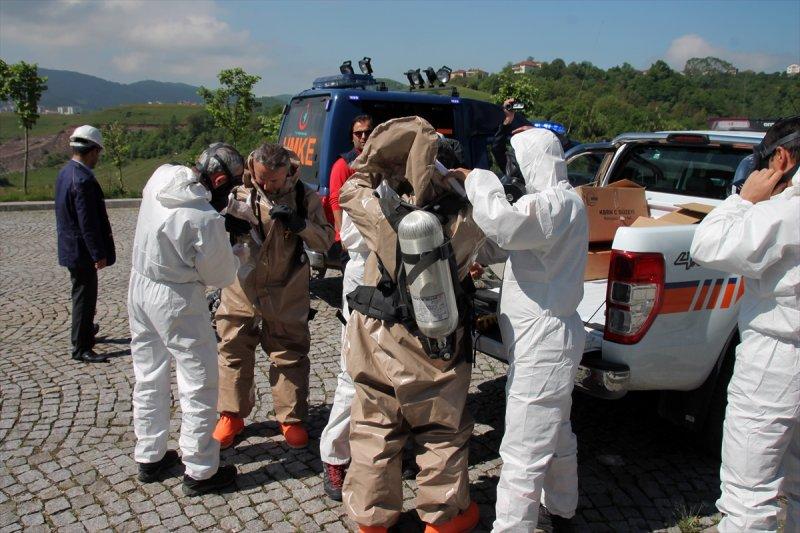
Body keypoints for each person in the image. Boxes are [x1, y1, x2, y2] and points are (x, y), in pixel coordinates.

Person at [339, 116, 484, 532]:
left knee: (374, 424)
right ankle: (444, 520)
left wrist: (376, 161)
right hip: (434, 341)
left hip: (376, 335)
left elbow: (351, 186)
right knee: (440, 428)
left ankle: (371, 520)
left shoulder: (377, 210)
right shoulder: (465, 216)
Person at [466, 128, 588, 532]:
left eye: (514, 164)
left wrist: (476, 178)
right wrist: (477, 254)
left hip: (544, 343)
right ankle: (563, 508)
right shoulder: (564, 202)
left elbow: (505, 225)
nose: (509, 172)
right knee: (555, 432)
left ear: (533, 163)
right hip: (551, 337)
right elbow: (510, 243)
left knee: (523, 450)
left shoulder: (551, 203)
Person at [690, 116, 799, 533]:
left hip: (777, 359)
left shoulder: (784, 211)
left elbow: (707, 245)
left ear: (782, 158)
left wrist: (745, 199)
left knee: (748, 496)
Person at [128, 143, 243, 496]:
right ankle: (201, 469)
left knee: (148, 372)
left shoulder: (160, 176)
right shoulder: (204, 219)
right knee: (199, 381)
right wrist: (230, 238)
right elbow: (221, 275)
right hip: (177, 299)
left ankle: (150, 454)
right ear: (220, 179)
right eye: (230, 186)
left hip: (139, 285)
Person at [213, 143, 334, 450]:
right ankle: (231, 414)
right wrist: (224, 226)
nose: (268, 186)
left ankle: (291, 418)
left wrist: (299, 224)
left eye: (275, 181)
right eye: (262, 179)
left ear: (288, 172)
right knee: (233, 349)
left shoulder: (304, 196)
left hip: (286, 288)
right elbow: (208, 234)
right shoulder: (237, 192)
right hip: (242, 286)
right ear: (252, 169)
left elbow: (326, 239)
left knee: (289, 353)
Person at [318, 118, 373, 500]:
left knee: (390, 377)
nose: (364, 140)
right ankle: (334, 457)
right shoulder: (353, 180)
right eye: (359, 134)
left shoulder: (393, 182)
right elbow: (353, 234)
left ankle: (376, 452)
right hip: (362, 280)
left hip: (391, 286)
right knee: (352, 372)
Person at [55, 125, 115, 364]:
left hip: (70, 246)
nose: (97, 158)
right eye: (98, 153)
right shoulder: (83, 180)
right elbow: (87, 222)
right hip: (81, 251)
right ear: (91, 151)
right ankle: (81, 347)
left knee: (82, 293)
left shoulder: (65, 172)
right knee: (84, 297)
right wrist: (97, 253)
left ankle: (86, 330)